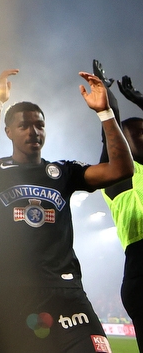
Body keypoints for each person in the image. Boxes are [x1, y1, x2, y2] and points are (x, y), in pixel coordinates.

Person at [0, 69, 132, 353]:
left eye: (40, 125)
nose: (34, 131)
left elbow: (121, 169)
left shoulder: (63, 172)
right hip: (18, 297)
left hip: (68, 293)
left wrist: (105, 112)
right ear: (8, 131)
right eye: (24, 126)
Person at [92, 61, 143, 351]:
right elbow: (111, 139)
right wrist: (108, 105)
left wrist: (141, 101)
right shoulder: (119, 175)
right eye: (140, 133)